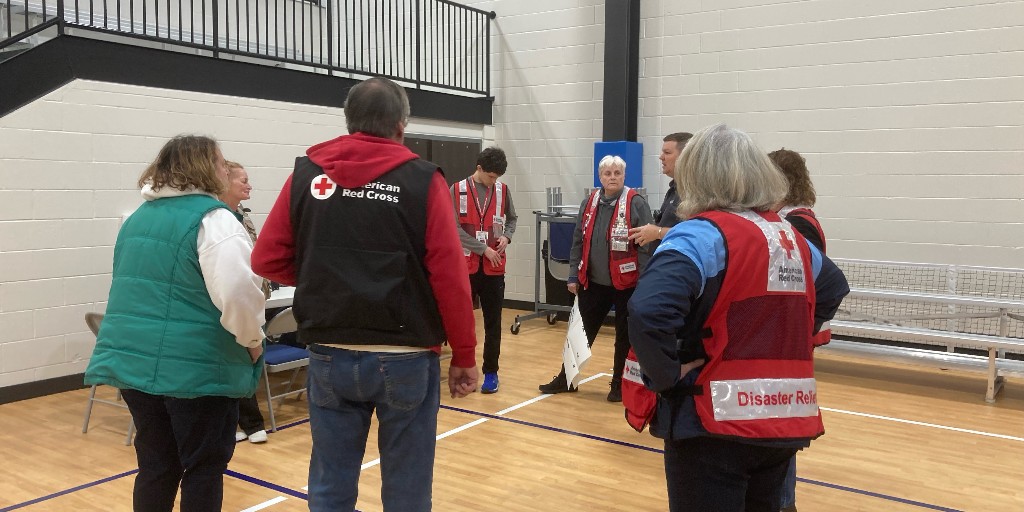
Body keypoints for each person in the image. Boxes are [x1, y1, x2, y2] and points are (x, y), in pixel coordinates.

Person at [251, 77, 479, 512]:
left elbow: (265, 259)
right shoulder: (422, 179)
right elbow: (450, 277)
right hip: (406, 355)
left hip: (328, 350)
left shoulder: (307, 173)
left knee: (330, 484)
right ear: (401, 124)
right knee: (407, 487)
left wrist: (325, 275)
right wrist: (465, 354)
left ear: (349, 120)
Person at [626, 124, 849, 512]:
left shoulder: (699, 235)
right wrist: (791, 338)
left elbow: (647, 310)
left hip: (712, 420)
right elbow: (832, 287)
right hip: (783, 416)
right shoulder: (787, 237)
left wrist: (665, 376)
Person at [84, 135, 267, 512]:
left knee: (156, 465)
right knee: (203, 467)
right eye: (220, 163)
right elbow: (237, 294)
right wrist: (253, 341)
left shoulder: (137, 219)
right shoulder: (215, 220)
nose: (224, 168)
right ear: (205, 168)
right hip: (195, 369)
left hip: (135, 363)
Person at [538, 155, 654, 402]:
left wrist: (645, 284)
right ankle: (566, 378)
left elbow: (646, 248)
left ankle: (619, 384)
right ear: (600, 177)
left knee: (624, 335)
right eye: (608, 173)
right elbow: (578, 240)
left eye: (617, 173)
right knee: (578, 332)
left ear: (624, 176)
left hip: (628, 284)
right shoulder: (589, 202)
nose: (612, 177)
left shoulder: (636, 203)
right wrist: (572, 275)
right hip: (593, 282)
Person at [769, 148, 828, 512]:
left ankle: (784, 501)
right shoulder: (788, 218)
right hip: (785, 338)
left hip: (788, 342)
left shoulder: (799, 223)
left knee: (780, 422)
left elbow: (819, 284)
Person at [451, 147, 518, 394]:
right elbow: (453, 228)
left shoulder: (502, 190)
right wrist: (482, 249)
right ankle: (461, 367)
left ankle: (491, 372)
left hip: (494, 268)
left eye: (497, 177)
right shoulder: (456, 190)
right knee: (462, 322)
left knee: (493, 323)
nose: (494, 182)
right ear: (479, 168)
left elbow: (512, 219)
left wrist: (507, 238)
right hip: (465, 267)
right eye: (491, 176)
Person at [219, 161, 272, 445]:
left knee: (247, 357)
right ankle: (248, 423)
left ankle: (246, 422)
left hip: (255, 296)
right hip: (232, 302)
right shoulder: (216, 220)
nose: (248, 185)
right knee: (239, 358)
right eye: (243, 180)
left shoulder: (243, 216)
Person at [627, 132, 692, 251]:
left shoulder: (693, 192)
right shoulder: (674, 189)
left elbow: (694, 234)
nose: (661, 157)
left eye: (667, 153)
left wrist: (658, 232)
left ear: (685, 156)